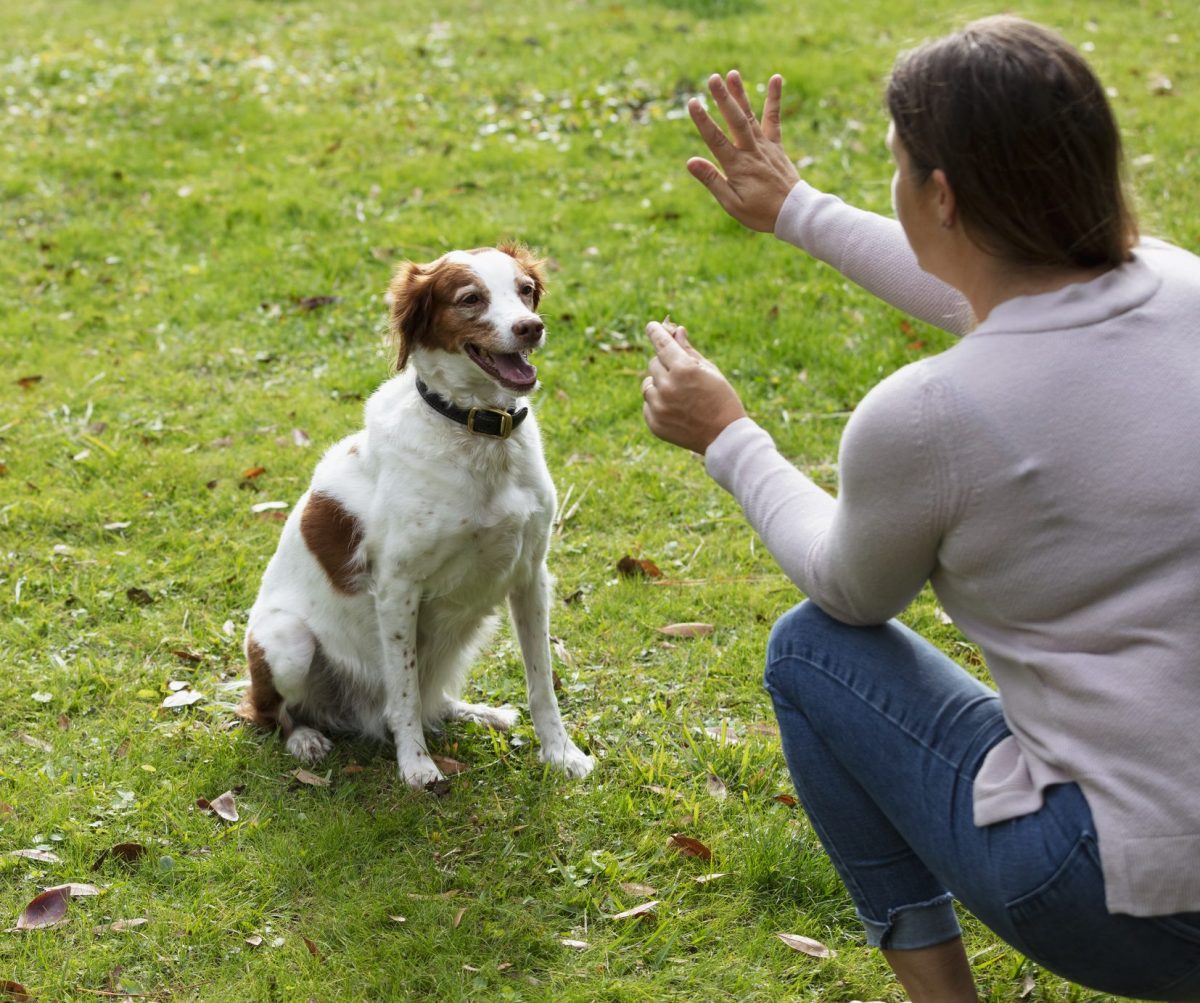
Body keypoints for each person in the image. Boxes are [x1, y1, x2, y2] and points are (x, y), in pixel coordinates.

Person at [640, 16, 1200, 1003]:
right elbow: (1016, 295)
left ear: (941, 195)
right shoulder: (1182, 283)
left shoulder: (929, 416)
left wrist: (727, 436)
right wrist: (799, 209)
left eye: (897, 167)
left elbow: (848, 590)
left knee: (812, 652)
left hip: (1129, 898)